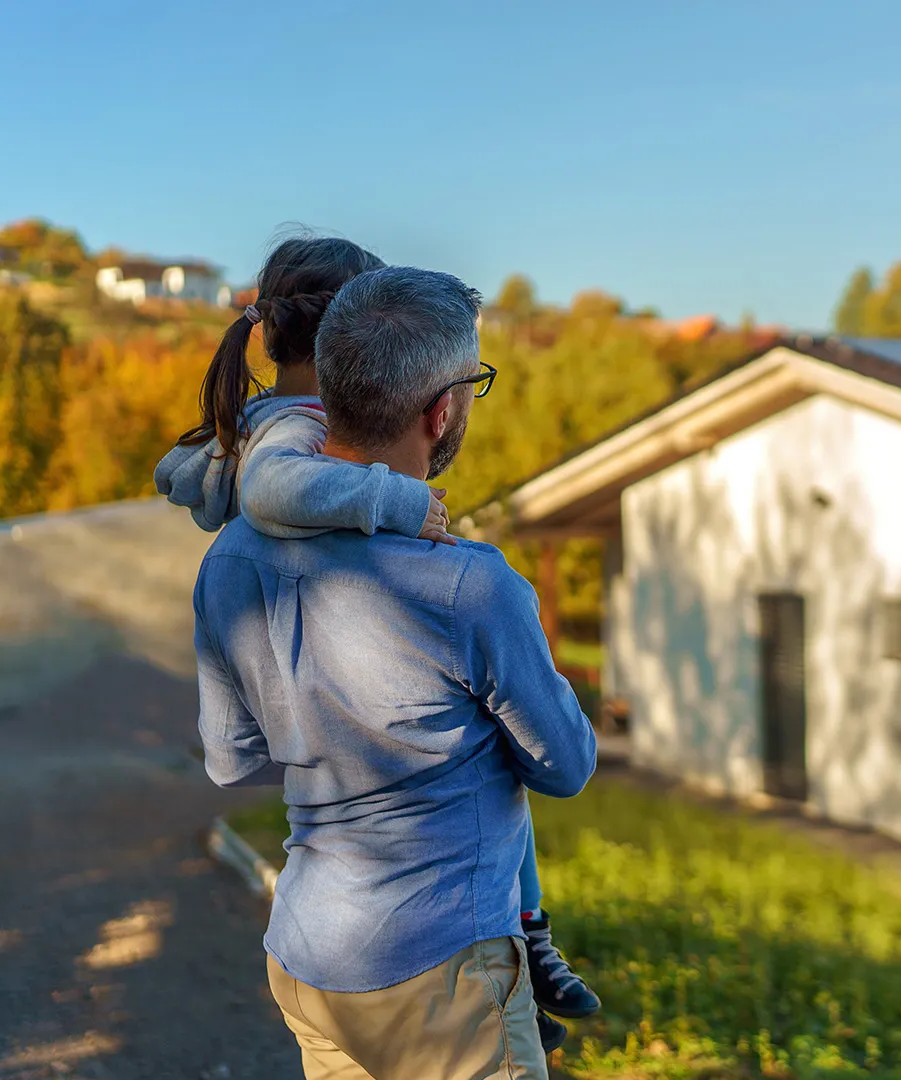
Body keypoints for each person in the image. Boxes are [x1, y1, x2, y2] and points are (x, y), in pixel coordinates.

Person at [154, 239, 600, 1049]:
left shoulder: (227, 563)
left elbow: (230, 758)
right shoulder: (469, 584)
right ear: (440, 412)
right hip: (443, 968)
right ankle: (535, 936)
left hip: (306, 960)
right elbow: (565, 765)